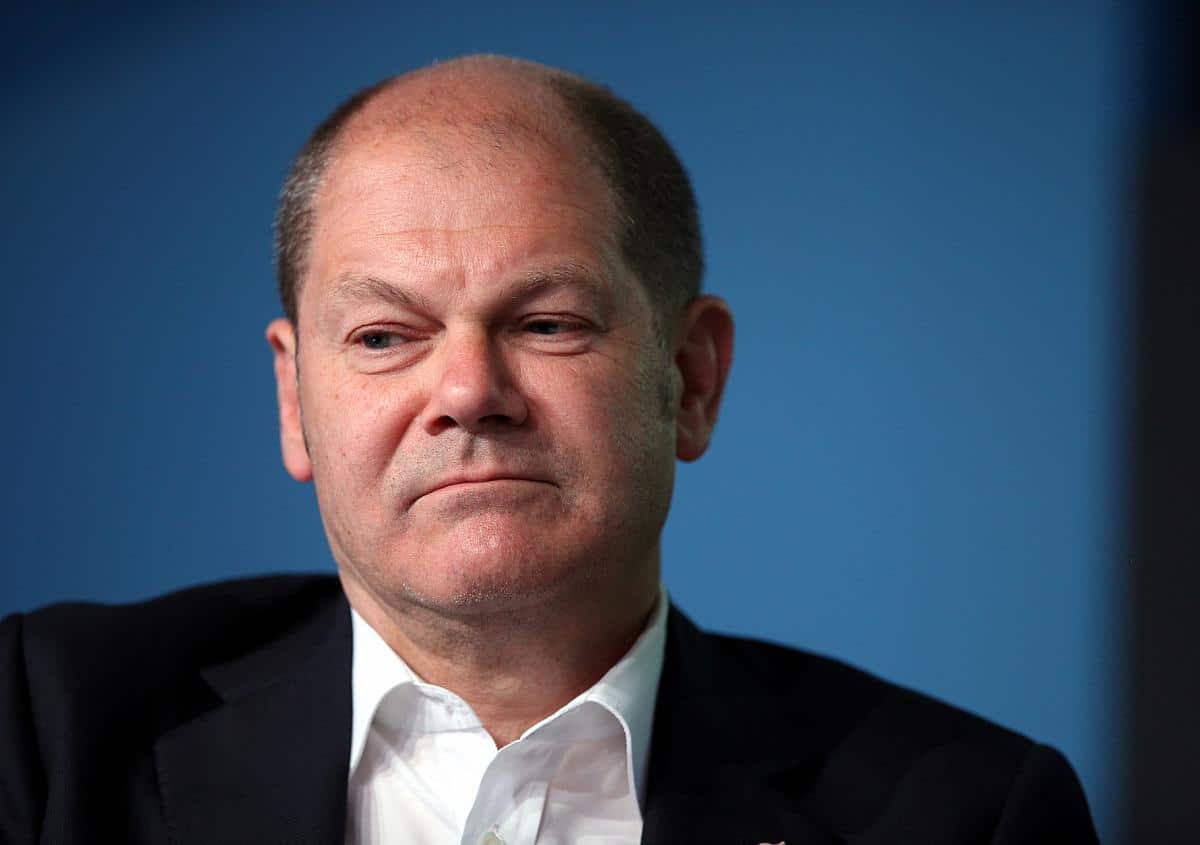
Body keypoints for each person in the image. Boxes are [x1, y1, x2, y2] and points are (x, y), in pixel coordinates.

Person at [0, 55, 1099, 844]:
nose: (468, 392)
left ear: (691, 379)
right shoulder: (47, 729)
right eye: (384, 336)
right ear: (295, 399)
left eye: (548, 323)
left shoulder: (968, 812)